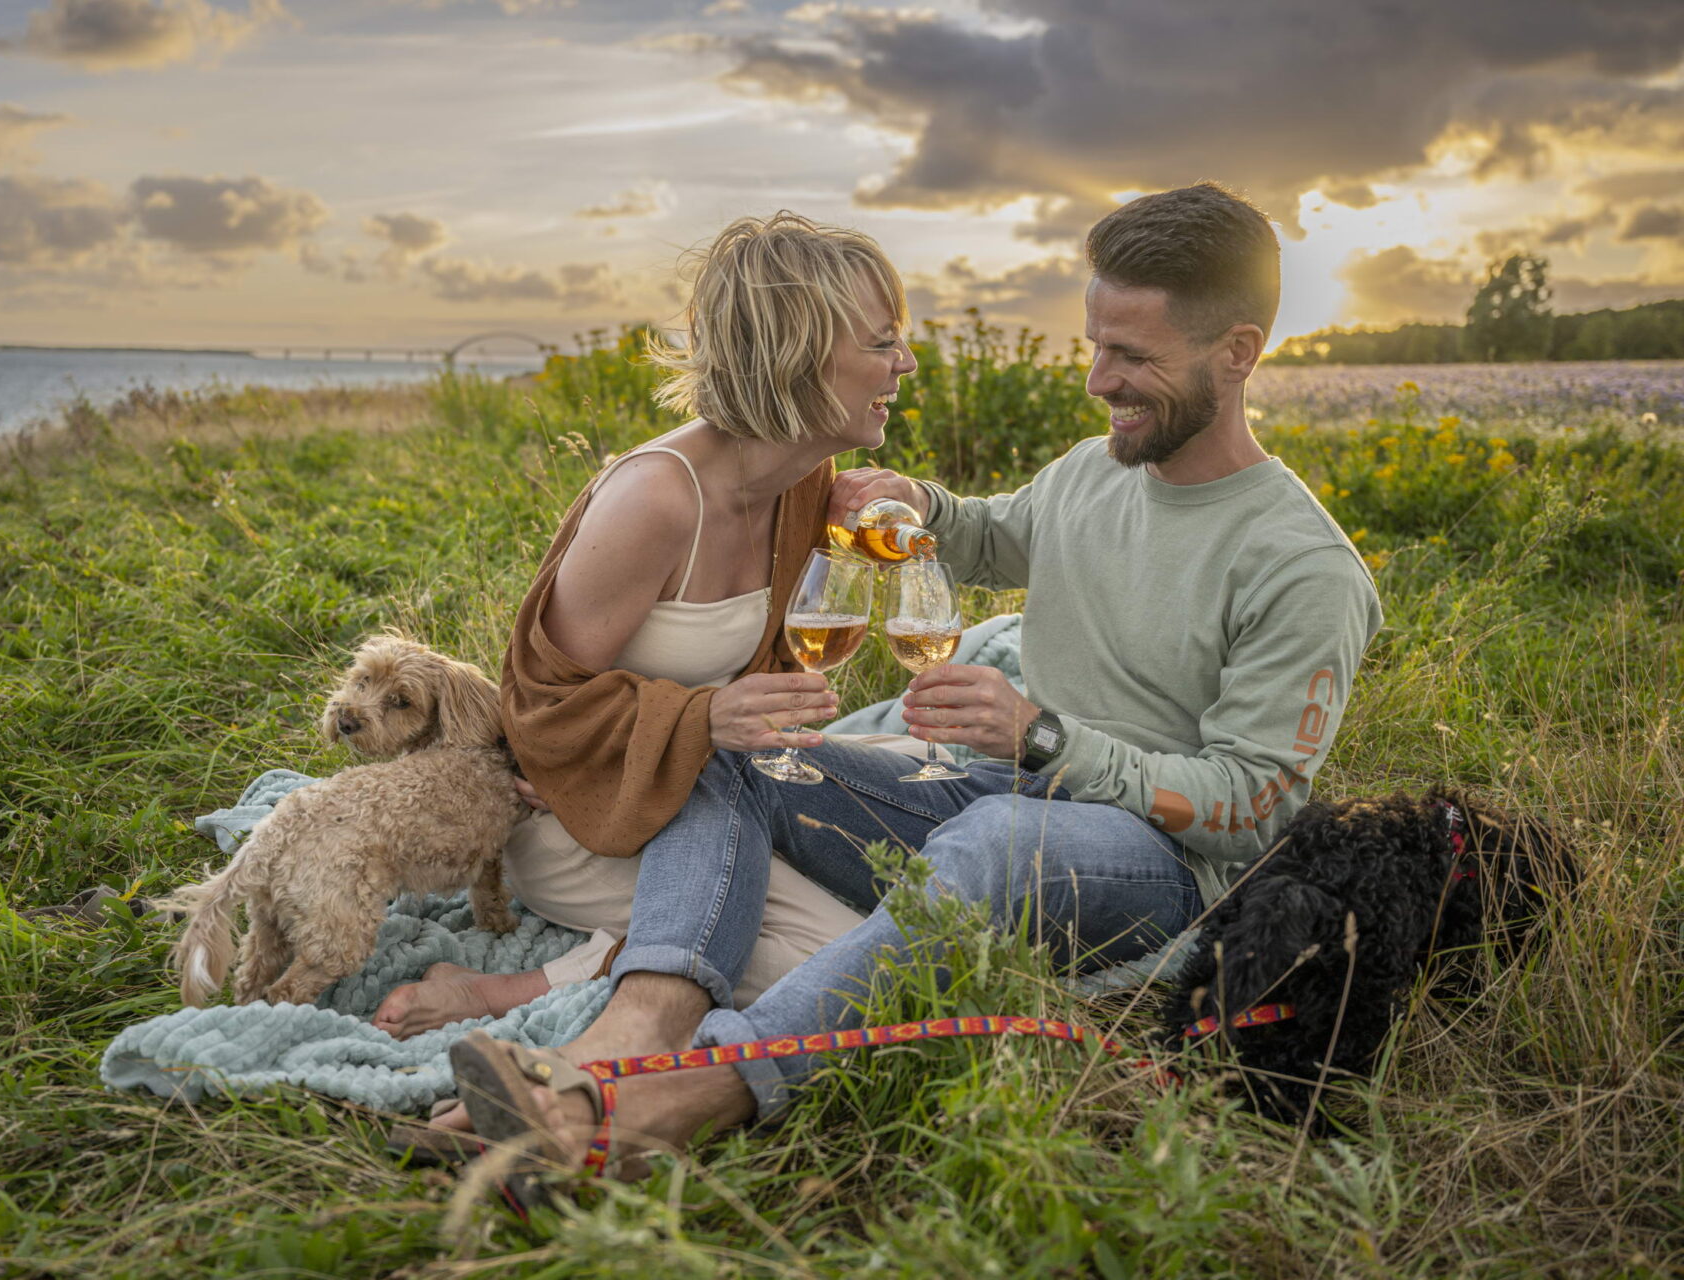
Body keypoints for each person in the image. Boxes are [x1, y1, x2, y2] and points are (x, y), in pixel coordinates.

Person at [445, 182, 1384, 1175]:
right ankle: (622, 1042)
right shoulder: (1094, 470)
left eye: (1133, 356)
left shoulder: (1300, 565)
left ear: (1236, 354)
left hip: (1155, 863)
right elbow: (990, 532)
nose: (1097, 380)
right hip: (1001, 783)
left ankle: (696, 1094)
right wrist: (914, 498)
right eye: (1095, 344)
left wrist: (1045, 736)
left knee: (991, 840)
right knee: (737, 760)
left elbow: (1255, 805)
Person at [371, 210, 930, 1040]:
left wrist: (887, 521)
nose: (906, 362)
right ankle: (507, 989)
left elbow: (782, 669)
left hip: (719, 790)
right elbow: (539, 712)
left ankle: (668, 940)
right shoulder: (659, 498)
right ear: (799, 355)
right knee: (862, 965)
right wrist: (703, 719)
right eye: (882, 343)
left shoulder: (808, 480)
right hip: (589, 815)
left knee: (936, 796)